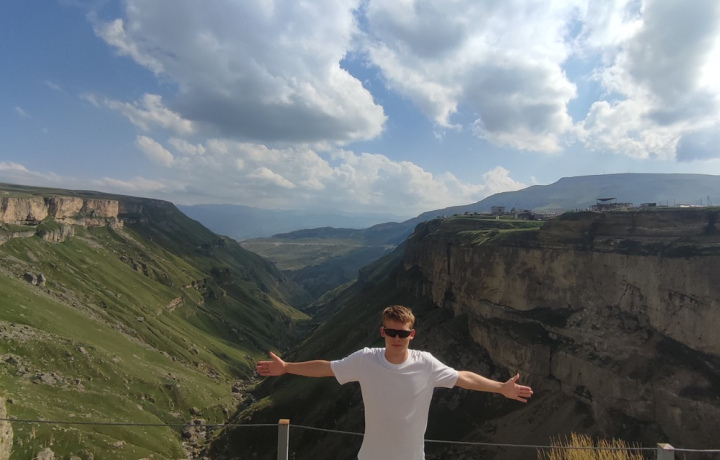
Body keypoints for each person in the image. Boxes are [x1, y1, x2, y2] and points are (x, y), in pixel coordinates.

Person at [256, 305, 533, 460]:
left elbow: (463, 378)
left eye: (402, 333)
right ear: (382, 332)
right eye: (391, 332)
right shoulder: (365, 359)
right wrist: (287, 367)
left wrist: (501, 388)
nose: (396, 338)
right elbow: (327, 367)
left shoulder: (426, 363)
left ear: (412, 334)